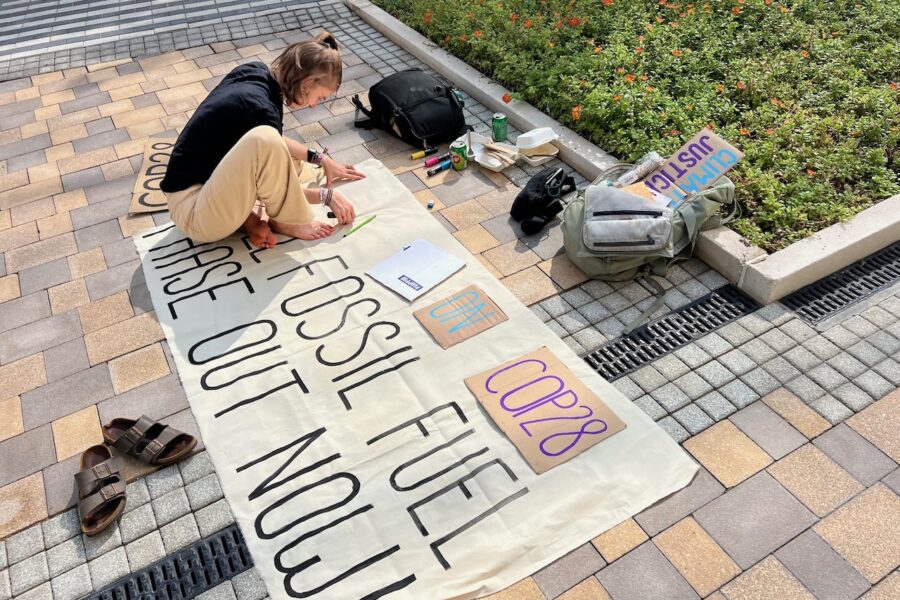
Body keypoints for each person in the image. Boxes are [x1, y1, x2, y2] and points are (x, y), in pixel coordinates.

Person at [160, 32, 364, 249]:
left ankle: (267, 218)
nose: (314, 105)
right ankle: (286, 222)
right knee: (270, 146)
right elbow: (275, 173)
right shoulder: (261, 112)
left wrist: (322, 160)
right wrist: (326, 195)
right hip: (196, 215)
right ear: (307, 82)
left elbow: (276, 144)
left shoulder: (256, 74)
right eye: (320, 97)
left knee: (283, 154)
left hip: (201, 195)